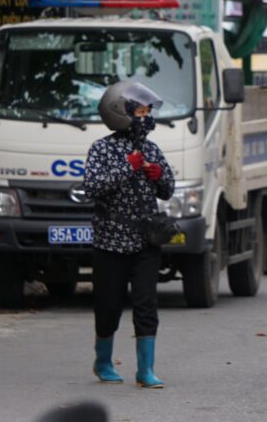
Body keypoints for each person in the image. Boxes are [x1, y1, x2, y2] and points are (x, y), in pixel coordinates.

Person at [83, 81, 175, 388]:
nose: (146, 116)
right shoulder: (102, 148)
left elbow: (167, 190)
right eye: (140, 110)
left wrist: (158, 176)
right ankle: (103, 361)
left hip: (145, 241)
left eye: (148, 110)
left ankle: (145, 370)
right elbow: (93, 187)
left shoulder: (151, 148)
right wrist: (128, 167)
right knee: (108, 305)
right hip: (110, 240)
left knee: (146, 304)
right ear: (119, 112)